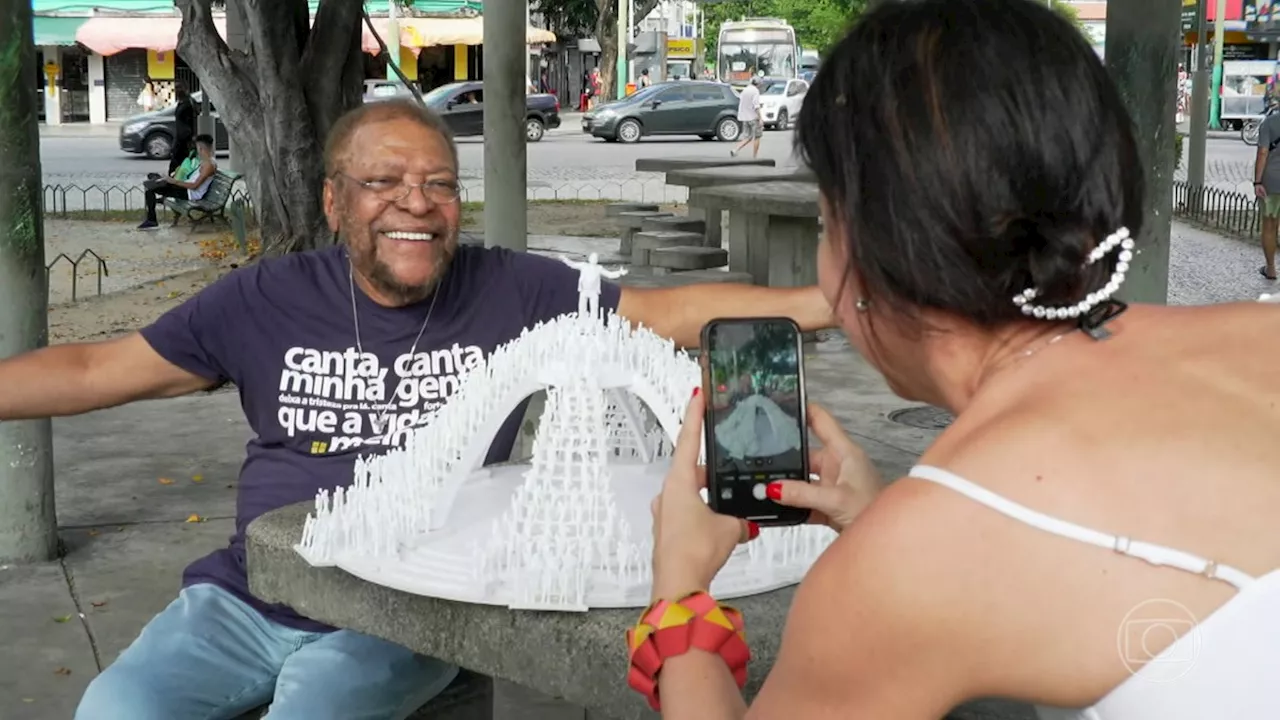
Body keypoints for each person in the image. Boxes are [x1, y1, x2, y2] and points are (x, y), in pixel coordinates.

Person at [0, 98, 833, 719]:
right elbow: (92, 369)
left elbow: (666, 315)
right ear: (335, 202)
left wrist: (839, 300)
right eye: (385, 181)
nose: (416, 201)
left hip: (409, 602)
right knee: (116, 708)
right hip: (247, 596)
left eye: (439, 184)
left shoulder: (515, 287)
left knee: (314, 709)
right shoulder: (262, 299)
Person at [640, 0, 1280, 718]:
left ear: (876, 250)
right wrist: (897, 521)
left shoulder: (899, 572)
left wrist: (679, 589)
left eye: (826, 223)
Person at [138, 133, 217, 231]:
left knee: (151, 189)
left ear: (201, 148)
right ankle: (159, 187)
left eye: (197, 147)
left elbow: (194, 186)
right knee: (155, 180)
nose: (196, 150)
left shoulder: (208, 165)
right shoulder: (205, 161)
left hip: (189, 193)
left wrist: (174, 181)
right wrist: (173, 178)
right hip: (185, 188)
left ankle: (152, 219)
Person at [1254, 105, 1280, 279]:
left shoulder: (1269, 123)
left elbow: (1263, 152)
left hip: (1272, 181)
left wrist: (1257, 181)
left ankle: (1271, 268)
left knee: (1269, 226)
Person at [730, 76, 762, 158]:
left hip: (745, 117)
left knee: (748, 137)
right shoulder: (755, 91)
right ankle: (755, 156)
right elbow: (756, 106)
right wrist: (760, 118)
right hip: (753, 117)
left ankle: (735, 149)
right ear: (758, 84)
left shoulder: (745, 90)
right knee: (757, 137)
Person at [169, 82, 197, 175]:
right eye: (176, 88)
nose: (177, 90)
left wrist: (192, 136)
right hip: (179, 138)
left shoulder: (189, 103)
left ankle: (177, 184)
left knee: (181, 164)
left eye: (179, 87)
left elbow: (194, 120)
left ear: (185, 89)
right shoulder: (181, 103)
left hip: (185, 139)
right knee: (176, 164)